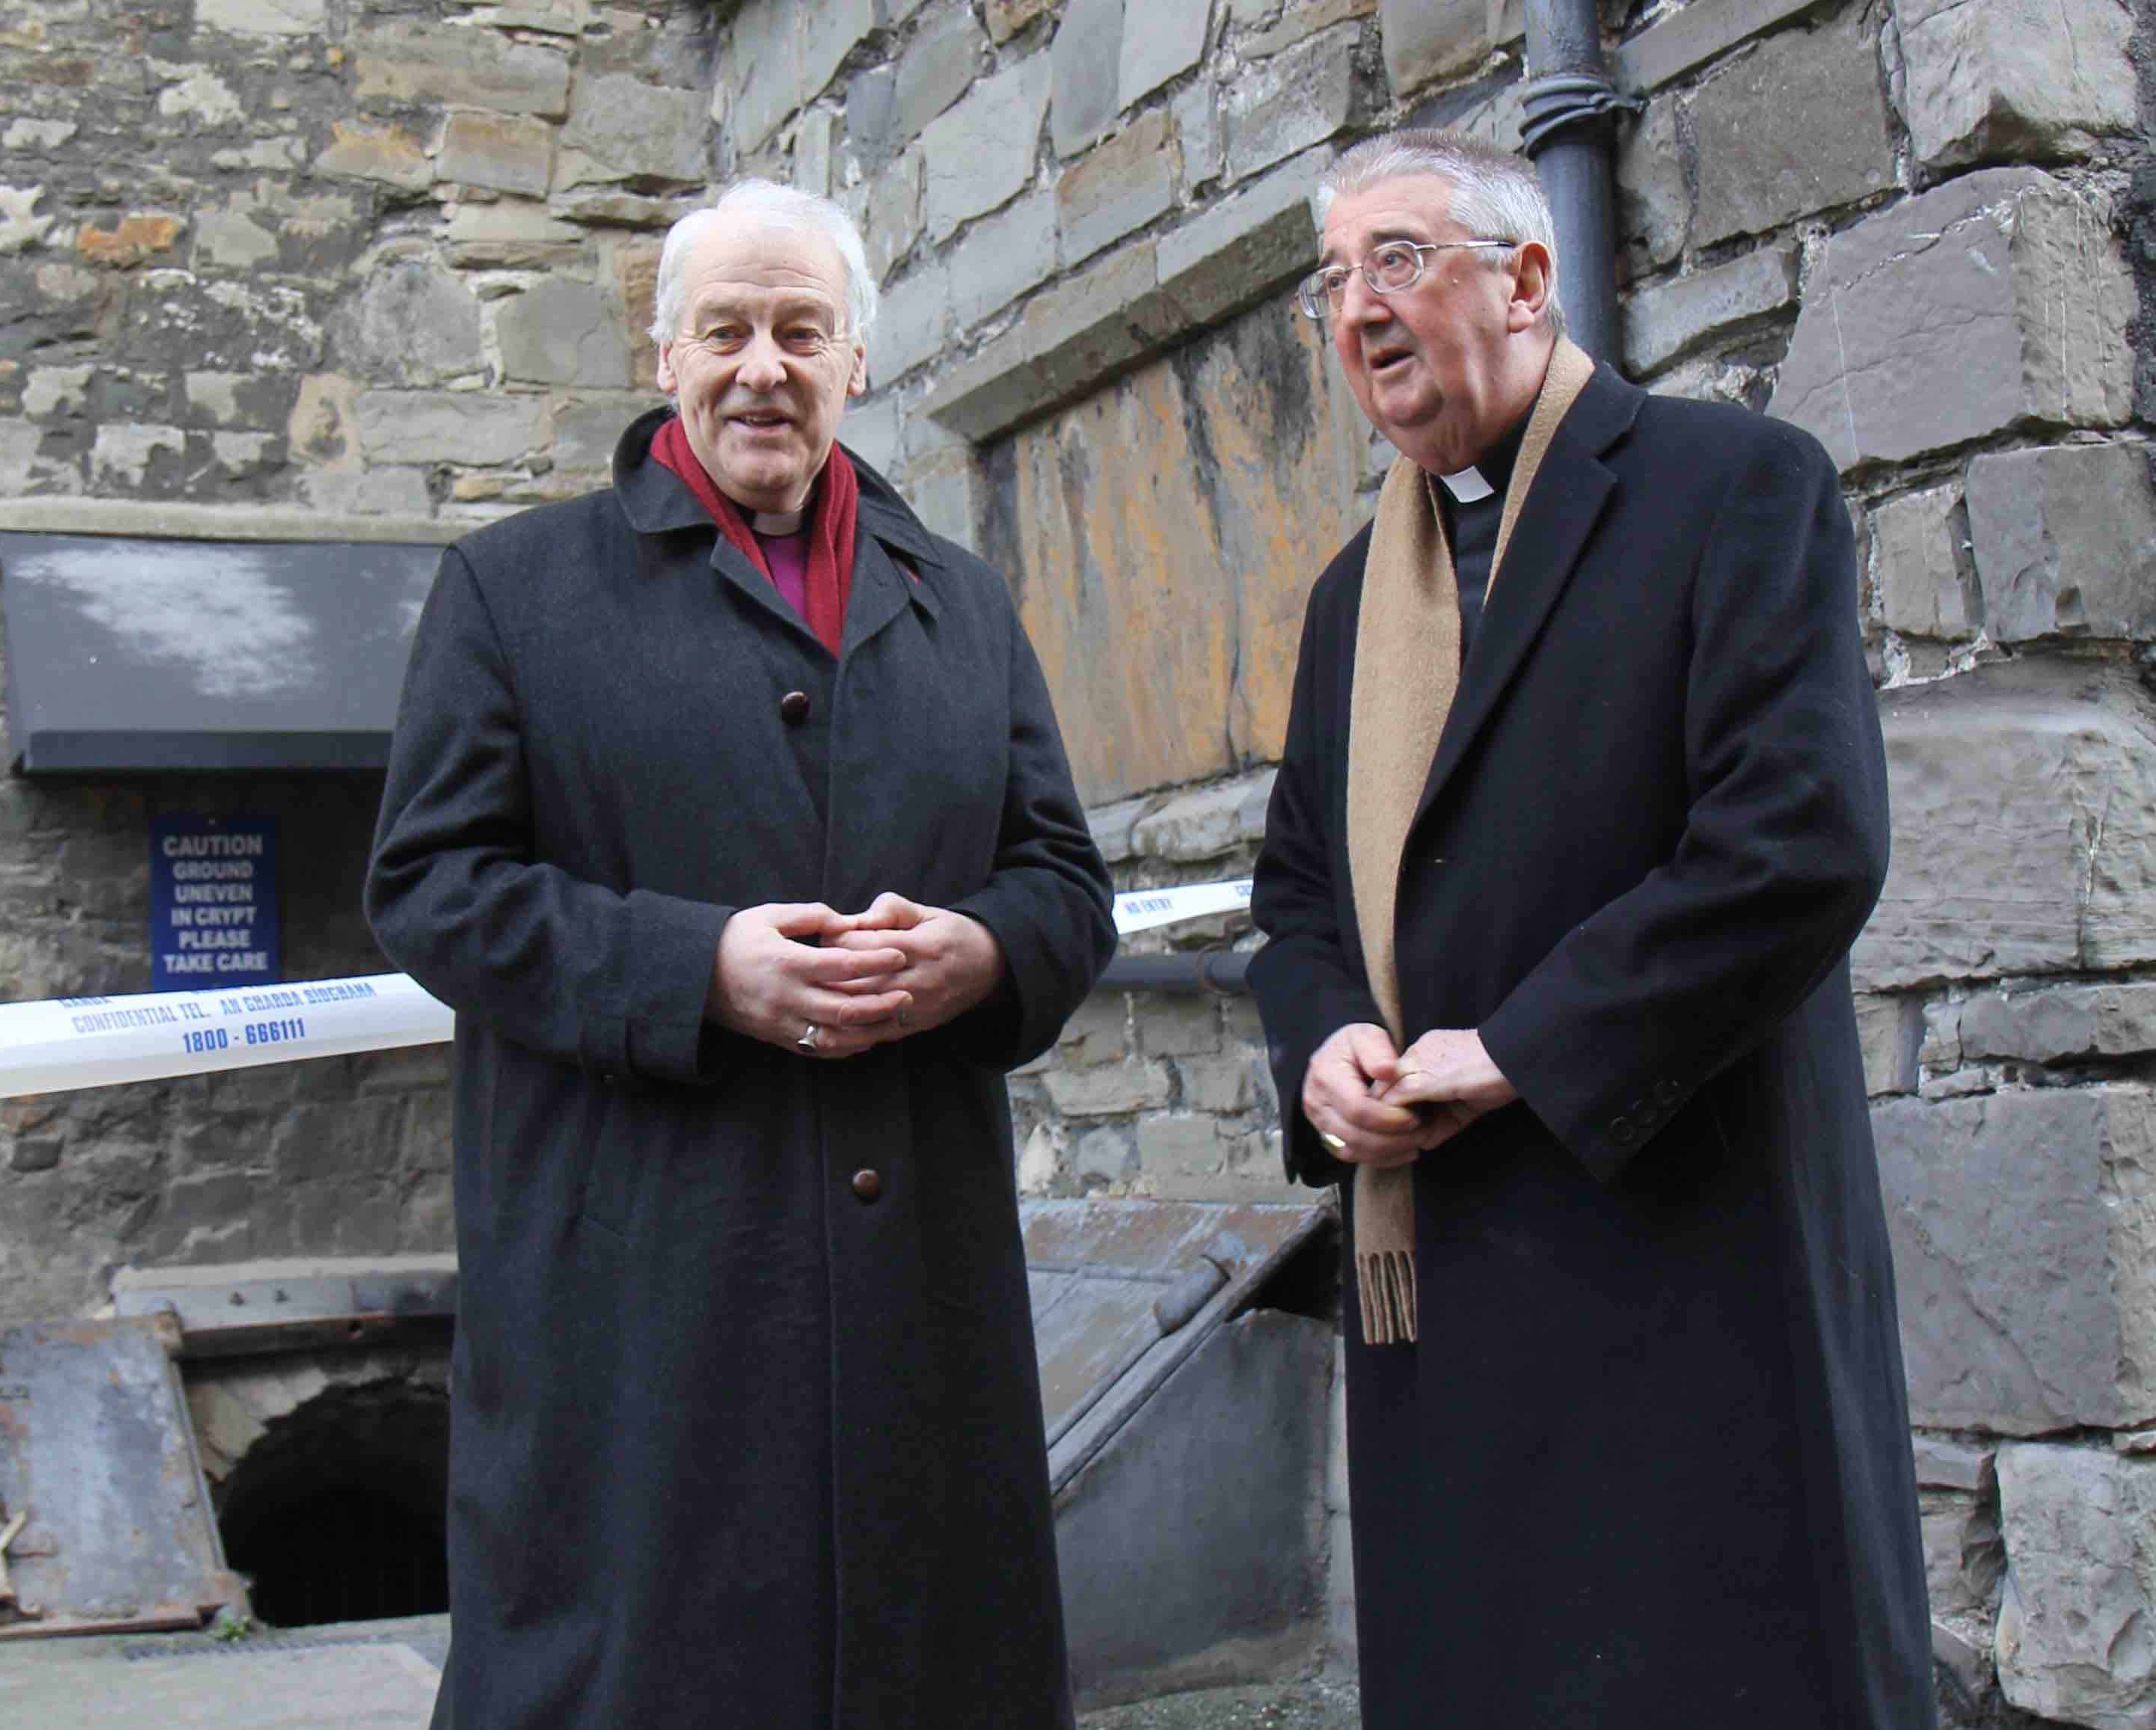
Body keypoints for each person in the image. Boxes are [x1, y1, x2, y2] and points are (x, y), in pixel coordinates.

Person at [366, 179, 1114, 1730]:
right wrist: (697, 969)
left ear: (855, 361)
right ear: (664, 356)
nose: (760, 368)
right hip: (641, 1296)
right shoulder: (515, 590)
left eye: (799, 331)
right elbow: (430, 884)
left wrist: (979, 951)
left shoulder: (959, 604)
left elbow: (1062, 879)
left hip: (915, 1291)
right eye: (724, 330)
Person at [1247, 130, 1933, 1729]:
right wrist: (1322, 1043)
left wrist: (1524, 1047)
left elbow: (1798, 841)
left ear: (1529, 279)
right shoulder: (1353, 597)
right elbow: (1293, 893)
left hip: (1685, 1255)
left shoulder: (1729, 487)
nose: (1358, 310)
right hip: (1450, 1292)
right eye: (1332, 282)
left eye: (1399, 259)